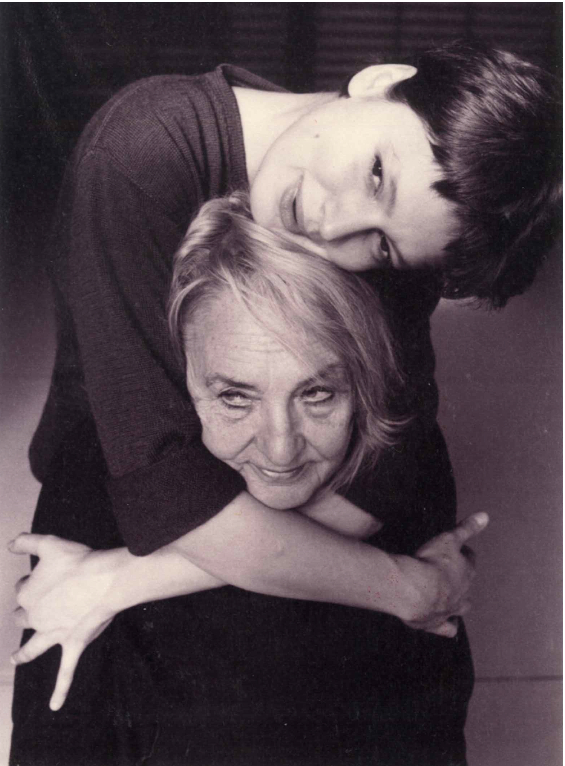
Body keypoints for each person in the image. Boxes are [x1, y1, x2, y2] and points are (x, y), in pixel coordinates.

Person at [8, 39, 559, 764]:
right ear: (380, 80)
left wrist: (119, 581)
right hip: (137, 436)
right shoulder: (141, 151)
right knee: (83, 695)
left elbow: (389, 458)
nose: (333, 227)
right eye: (376, 174)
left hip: (329, 447)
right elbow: (165, 491)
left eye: (382, 248)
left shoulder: (411, 230)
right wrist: (409, 588)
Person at [10, 194, 486, 766]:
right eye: (235, 397)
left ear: (363, 381)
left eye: (317, 393)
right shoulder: (98, 464)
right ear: (178, 380)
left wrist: (120, 580)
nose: (280, 448)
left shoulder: (402, 452)